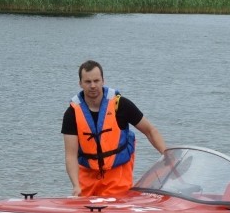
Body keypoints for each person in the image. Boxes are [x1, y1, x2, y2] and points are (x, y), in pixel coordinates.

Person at [62, 60, 167, 196]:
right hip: (87, 183)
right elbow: (70, 156)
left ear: (103, 81)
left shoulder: (121, 105)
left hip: (118, 181)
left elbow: (150, 131)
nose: (93, 86)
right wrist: (76, 186)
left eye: (96, 80)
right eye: (88, 82)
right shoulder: (72, 114)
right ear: (80, 83)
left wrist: (167, 156)